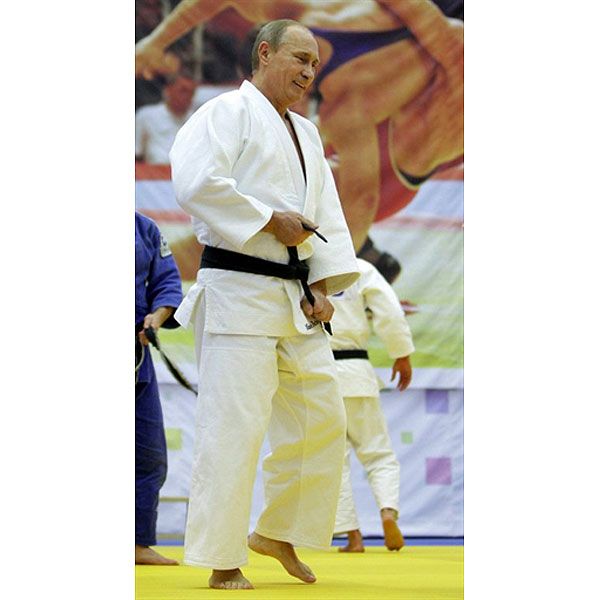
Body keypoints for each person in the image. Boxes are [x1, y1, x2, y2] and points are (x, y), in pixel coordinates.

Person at [169, 20, 359, 590]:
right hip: (237, 290)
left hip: (294, 297)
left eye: (315, 64)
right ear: (265, 52)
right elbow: (196, 182)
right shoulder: (225, 113)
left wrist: (323, 284)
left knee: (323, 418)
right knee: (234, 429)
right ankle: (223, 558)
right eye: (300, 58)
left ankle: (277, 532)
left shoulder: (306, 132)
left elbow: (327, 215)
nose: (308, 72)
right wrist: (267, 219)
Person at [134, 0, 463, 278]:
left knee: (271, 210)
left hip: (407, 139)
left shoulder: (346, 98)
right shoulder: (311, 27)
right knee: (268, 203)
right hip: (408, 126)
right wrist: (154, 43)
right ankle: (153, 270)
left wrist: (156, 43)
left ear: (265, 56)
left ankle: (151, 270)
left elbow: (362, 200)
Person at [329, 258, 414, 553]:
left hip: (318, 373)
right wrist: (401, 353)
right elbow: (389, 310)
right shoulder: (358, 268)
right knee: (378, 454)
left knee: (333, 459)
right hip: (357, 371)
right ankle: (387, 512)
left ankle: (353, 536)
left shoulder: (304, 265)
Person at [135, 212, 183, 565]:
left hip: (136, 353)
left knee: (148, 454)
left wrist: (157, 316)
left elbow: (166, 281)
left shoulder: (144, 228)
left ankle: (136, 541)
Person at [135, 73, 198, 164]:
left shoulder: (197, 120)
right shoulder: (146, 116)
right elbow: (136, 153)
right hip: (153, 170)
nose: (187, 96)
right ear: (168, 91)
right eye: (183, 91)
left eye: (192, 93)